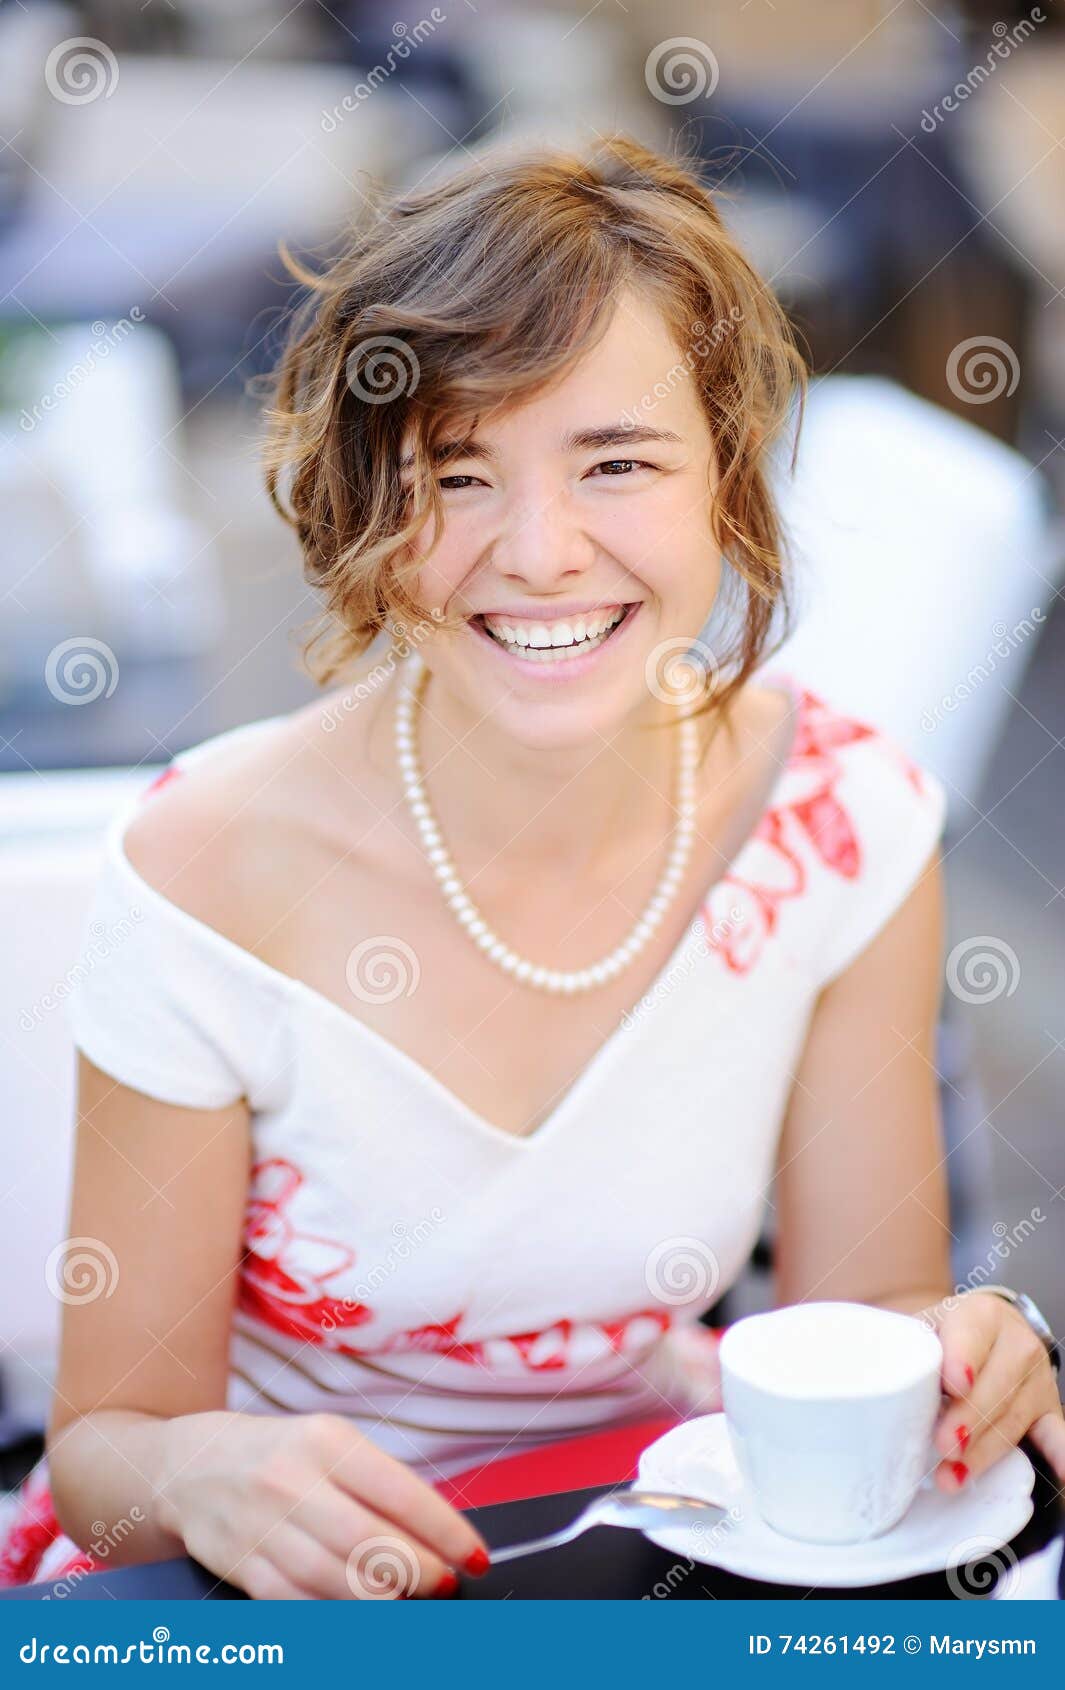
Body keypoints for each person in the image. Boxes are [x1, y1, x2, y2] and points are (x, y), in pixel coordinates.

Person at [3, 136, 1062, 1598]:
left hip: (639, 1540)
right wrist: (198, 1469)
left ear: (723, 479)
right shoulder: (204, 873)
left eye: (616, 462)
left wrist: (959, 1351)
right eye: (457, 473)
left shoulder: (841, 825)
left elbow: (859, 1314)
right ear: (366, 509)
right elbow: (104, 1460)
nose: (542, 550)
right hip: (268, 1590)